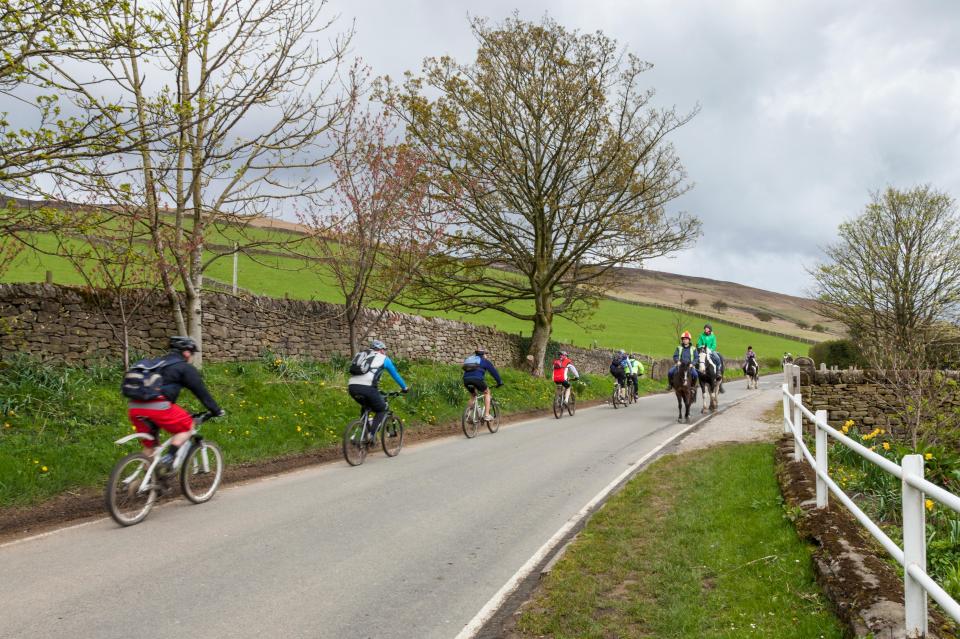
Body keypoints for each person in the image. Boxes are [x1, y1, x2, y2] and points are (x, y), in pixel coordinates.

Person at [126, 336, 225, 471]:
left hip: (135, 407)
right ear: (186, 352)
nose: (191, 356)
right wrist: (215, 410)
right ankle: (169, 458)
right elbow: (201, 392)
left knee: (151, 446)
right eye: (192, 353)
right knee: (187, 426)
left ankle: (148, 482)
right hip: (158, 407)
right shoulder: (184, 367)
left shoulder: (157, 363)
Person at [348, 339, 409, 443]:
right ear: (381, 350)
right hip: (368, 388)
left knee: (366, 407)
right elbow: (396, 375)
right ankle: (370, 435)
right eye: (384, 350)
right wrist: (404, 388)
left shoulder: (363, 355)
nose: (385, 352)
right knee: (382, 410)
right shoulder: (384, 359)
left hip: (352, 387)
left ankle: (364, 431)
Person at [462, 347, 503, 421]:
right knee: (487, 392)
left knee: (473, 396)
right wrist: (499, 382)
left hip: (466, 380)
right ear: (483, 354)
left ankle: (467, 415)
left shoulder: (470, 360)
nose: (486, 355)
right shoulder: (485, 361)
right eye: (485, 354)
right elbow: (494, 373)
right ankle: (487, 415)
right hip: (477, 380)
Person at [696, 323, 725, 391]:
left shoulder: (713, 336)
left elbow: (714, 344)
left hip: (711, 350)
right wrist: (701, 347)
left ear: (710, 329)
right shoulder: (701, 336)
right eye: (705, 328)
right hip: (703, 350)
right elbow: (699, 343)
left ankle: (718, 372)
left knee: (717, 358)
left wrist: (710, 349)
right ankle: (696, 372)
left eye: (707, 328)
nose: (706, 329)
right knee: (697, 358)